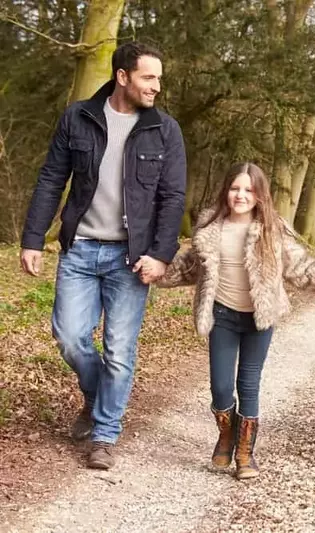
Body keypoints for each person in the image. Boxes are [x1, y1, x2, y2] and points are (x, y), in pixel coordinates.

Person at [19, 42, 186, 470]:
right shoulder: (79, 116)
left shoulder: (165, 130)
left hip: (130, 258)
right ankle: (96, 397)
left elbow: (172, 198)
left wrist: (162, 254)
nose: (157, 87)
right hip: (79, 249)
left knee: (119, 351)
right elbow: (52, 177)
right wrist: (33, 238)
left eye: (159, 79)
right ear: (123, 76)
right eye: (149, 77)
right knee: (70, 337)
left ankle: (105, 435)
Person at [158, 162, 315, 480]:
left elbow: (299, 267)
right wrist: (156, 271)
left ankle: (244, 453)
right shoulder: (210, 227)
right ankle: (226, 434)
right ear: (226, 191)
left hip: (258, 319)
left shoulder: (272, 229)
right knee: (221, 387)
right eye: (235, 188)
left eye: (248, 190)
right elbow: (187, 267)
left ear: (259, 195)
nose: (240, 195)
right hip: (222, 315)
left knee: (248, 384)